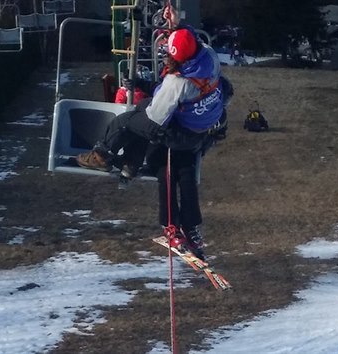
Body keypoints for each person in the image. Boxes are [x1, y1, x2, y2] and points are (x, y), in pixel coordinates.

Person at [76, 5, 231, 260]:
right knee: (184, 171)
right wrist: (175, 24)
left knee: (129, 121)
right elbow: (188, 36)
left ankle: (103, 155)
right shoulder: (209, 56)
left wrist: (143, 95)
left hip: (178, 131)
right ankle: (191, 229)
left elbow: (155, 118)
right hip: (200, 130)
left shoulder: (178, 82)